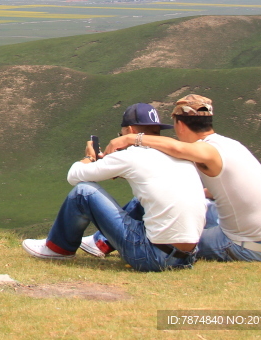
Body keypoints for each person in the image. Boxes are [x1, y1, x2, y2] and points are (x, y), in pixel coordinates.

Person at [22, 103, 206, 272]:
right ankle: (100, 243)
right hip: (187, 257)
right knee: (140, 201)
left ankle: (58, 249)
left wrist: (90, 158)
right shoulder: (178, 155)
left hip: (153, 258)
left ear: (130, 131)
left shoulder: (131, 155)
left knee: (83, 192)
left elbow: (74, 175)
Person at [104, 94, 261, 262]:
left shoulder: (207, 150)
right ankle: (101, 242)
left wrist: (132, 139)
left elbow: (178, 149)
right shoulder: (229, 144)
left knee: (174, 243)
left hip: (243, 247)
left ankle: (107, 243)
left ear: (180, 124)